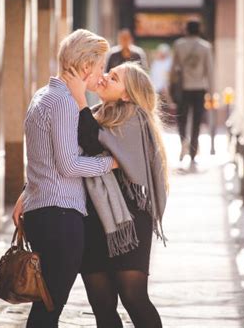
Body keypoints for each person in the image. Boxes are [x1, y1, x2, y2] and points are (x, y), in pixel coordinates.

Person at [11, 29, 119, 327]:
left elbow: (41, 158)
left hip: (44, 212)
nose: (102, 74)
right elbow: (69, 165)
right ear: (86, 67)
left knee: (47, 304)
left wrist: (26, 191)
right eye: (100, 67)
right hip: (59, 217)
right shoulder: (63, 103)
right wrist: (109, 163)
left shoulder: (43, 95)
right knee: (49, 307)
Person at [63, 61, 168, 328]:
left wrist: (78, 96)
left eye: (114, 77)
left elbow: (92, 142)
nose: (106, 78)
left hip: (129, 220)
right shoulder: (96, 114)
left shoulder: (135, 117)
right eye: (108, 73)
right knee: (102, 303)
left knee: (133, 297)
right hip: (92, 218)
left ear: (126, 94)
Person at [171, 20, 214, 167]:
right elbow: (210, 71)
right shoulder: (205, 47)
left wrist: (171, 87)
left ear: (187, 30)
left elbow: (173, 70)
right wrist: (212, 93)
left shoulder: (179, 44)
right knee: (196, 121)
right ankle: (193, 152)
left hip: (183, 88)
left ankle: (183, 143)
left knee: (182, 119)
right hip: (199, 88)